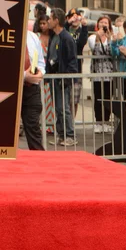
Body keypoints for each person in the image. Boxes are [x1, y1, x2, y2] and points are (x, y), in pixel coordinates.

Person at [46, 8, 78, 146]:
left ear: (56, 20)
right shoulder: (53, 36)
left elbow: (72, 60)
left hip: (62, 79)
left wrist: (67, 79)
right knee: (58, 108)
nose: (48, 21)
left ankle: (70, 135)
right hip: (54, 77)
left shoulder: (67, 38)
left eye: (50, 18)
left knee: (64, 107)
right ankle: (61, 134)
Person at [88, 15, 114, 133]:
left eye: (106, 22)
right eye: (102, 22)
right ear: (98, 24)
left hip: (109, 73)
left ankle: (106, 122)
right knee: (98, 98)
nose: (104, 24)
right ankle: (98, 122)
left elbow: (111, 51)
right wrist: (99, 37)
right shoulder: (93, 37)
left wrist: (109, 38)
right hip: (97, 73)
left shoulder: (111, 38)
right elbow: (96, 50)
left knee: (108, 98)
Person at [21, 30, 46, 150]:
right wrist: (24, 75)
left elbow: (40, 61)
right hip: (10, 89)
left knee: (34, 128)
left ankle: (39, 161)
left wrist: (40, 72)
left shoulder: (32, 37)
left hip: (32, 89)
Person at [65, 8, 88, 116]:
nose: (75, 19)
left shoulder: (81, 31)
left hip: (77, 69)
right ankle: (65, 123)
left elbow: (81, 43)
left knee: (74, 99)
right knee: (64, 99)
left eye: (77, 16)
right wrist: (67, 22)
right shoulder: (66, 30)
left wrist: (84, 26)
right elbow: (61, 37)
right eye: (72, 17)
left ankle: (71, 122)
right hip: (64, 69)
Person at [37, 14, 55, 134]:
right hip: (38, 72)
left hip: (50, 72)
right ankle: (39, 124)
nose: (43, 26)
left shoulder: (54, 38)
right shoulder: (36, 36)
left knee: (50, 100)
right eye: (41, 23)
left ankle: (50, 125)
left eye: (45, 23)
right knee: (39, 100)